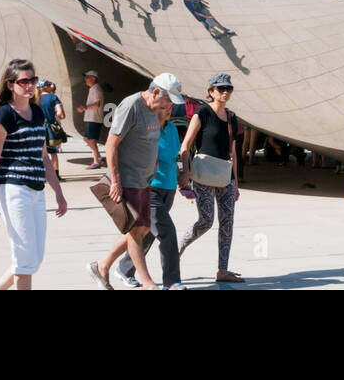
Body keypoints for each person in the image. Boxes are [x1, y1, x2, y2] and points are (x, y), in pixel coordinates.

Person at [87, 74, 183, 290]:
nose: (169, 106)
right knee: (136, 231)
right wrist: (115, 181)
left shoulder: (154, 110)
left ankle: (102, 266)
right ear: (156, 92)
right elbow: (111, 143)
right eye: (168, 100)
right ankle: (148, 283)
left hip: (144, 180)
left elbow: (151, 139)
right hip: (127, 179)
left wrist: (154, 160)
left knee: (141, 230)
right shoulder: (131, 106)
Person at [0, 60, 68, 290]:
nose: (30, 85)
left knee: (34, 258)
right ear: (11, 85)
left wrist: (59, 193)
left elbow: (44, 157)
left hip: (36, 189)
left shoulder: (38, 112)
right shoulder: (4, 115)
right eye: (24, 81)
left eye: (33, 80)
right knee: (23, 258)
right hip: (12, 188)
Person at [177, 73, 242, 283]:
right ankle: (176, 251)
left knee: (228, 222)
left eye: (228, 89)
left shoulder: (232, 117)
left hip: (225, 176)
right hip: (203, 174)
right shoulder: (202, 112)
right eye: (221, 89)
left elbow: (233, 152)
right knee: (206, 221)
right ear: (211, 91)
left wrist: (237, 183)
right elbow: (186, 145)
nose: (225, 92)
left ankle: (222, 270)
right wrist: (185, 171)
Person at [118, 96, 184, 289]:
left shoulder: (171, 129)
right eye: (165, 106)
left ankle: (123, 268)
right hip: (150, 187)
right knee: (167, 232)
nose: (169, 109)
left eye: (171, 107)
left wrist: (183, 174)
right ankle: (172, 281)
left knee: (147, 233)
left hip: (169, 186)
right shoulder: (149, 128)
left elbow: (175, 156)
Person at [37, 80, 67, 178]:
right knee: (53, 153)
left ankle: (42, 175)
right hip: (50, 129)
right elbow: (60, 114)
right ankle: (55, 175)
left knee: (41, 153)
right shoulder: (53, 98)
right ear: (47, 87)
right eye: (50, 85)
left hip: (38, 129)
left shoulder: (35, 98)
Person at [77, 70, 104, 169]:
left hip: (95, 118)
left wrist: (85, 108)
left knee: (91, 140)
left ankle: (96, 161)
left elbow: (97, 104)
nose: (85, 79)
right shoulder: (93, 89)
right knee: (87, 138)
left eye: (87, 77)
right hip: (92, 118)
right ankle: (99, 158)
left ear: (93, 78)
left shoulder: (96, 89)